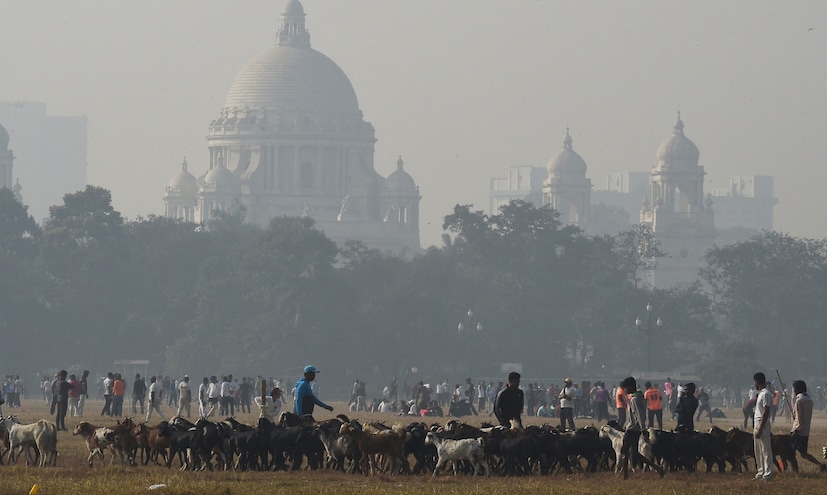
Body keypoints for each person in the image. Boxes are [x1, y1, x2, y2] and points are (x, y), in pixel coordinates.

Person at [619, 377, 664, 479]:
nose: (625, 390)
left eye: (626, 388)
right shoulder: (640, 397)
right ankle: (657, 468)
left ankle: (625, 475)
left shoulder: (634, 399)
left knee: (624, 451)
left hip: (632, 429)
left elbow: (639, 416)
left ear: (630, 386)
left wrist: (644, 430)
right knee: (635, 453)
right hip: (637, 429)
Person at [790, 379, 826, 471]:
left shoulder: (799, 400)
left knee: (790, 451)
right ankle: (820, 465)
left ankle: (795, 471)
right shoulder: (809, 399)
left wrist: (796, 430)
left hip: (798, 430)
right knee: (803, 453)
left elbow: (800, 419)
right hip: (805, 431)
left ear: (797, 389)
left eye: (793, 389)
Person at [753, 372, 773, 481]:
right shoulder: (761, 393)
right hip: (757, 423)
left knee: (765, 450)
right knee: (758, 450)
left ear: (756, 382)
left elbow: (766, 412)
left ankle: (767, 474)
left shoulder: (766, 394)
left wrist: (760, 427)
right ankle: (760, 472)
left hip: (762, 424)